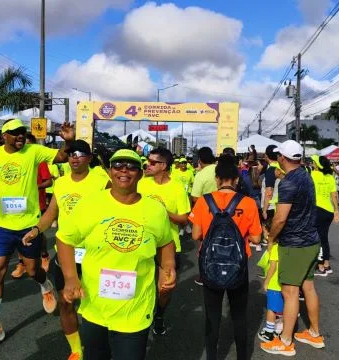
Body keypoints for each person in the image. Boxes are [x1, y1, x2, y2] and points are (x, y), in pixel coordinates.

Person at [56, 149, 176, 360]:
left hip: (136, 308)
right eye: (118, 165)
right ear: (110, 171)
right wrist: (71, 278)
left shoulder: (155, 210)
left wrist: (169, 266)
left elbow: (166, 242)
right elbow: (65, 239)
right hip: (95, 305)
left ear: (140, 173)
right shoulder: (91, 204)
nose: (124, 170)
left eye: (131, 166)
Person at [0, 119, 75, 351]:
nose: (20, 136)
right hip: (1, 224)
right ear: (4, 136)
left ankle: (45, 285)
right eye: (15, 133)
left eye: (22, 132)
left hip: (28, 224)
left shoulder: (33, 151)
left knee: (32, 271)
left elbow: (61, 157)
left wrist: (68, 140)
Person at [21, 140, 109, 360]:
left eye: (80, 153)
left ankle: (101, 347)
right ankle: (76, 350)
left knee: (97, 304)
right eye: (70, 153)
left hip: (96, 253)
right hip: (66, 252)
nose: (74, 157)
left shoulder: (101, 181)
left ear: (89, 158)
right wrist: (36, 229)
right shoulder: (60, 184)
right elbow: (51, 213)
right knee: (66, 302)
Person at [189, 154, 262, 360]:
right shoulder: (247, 203)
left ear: (217, 179)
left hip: (210, 265)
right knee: (239, 316)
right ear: (237, 179)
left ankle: (212, 356)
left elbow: (195, 234)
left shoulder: (204, 201)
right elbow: (256, 239)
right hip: (238, 266)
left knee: (212, 315)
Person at [261, 140, 324, 356]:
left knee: (289, 292)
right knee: (308, 287)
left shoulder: (289, 182)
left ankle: (285, 340)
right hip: (312, 241)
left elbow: (279, 218)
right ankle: (314, 333)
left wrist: (270, 238)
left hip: (294, 244)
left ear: (282, 158)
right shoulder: (306, 175)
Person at [138, 147, 191, 336]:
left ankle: (159, 314)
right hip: (140, 243)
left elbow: (184, 218)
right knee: (138, 284)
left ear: (164, 166)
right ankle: (139, 318)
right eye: (147, 161)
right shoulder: (141, 184)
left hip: (168, 245)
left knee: (164, 288)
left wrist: (163, 211)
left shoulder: (176, 187)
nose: (147, 165)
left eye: (152, 162)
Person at [11, 133, 53, 279]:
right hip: (17, 205)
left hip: (37, 204)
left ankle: (44, 256)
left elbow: (49, 182)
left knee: (38, 234)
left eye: (27, 145)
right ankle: (21, 263)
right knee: (17, 234)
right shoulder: (13, 161)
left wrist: (34, 187)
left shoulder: (39, 161)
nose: (23, 147)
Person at [310, 155, 339, 277]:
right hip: (328, 210)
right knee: (324, 238)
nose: (312, 163)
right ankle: (327, 265)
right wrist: (336, 211)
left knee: (318, 239)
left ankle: (321, 266)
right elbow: (334, 195)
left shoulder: (313, 175)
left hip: (318, 210)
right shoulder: (330, 177)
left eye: (314, 162)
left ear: (318, 165)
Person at [262, 145, 279, 233]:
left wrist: (264, 210)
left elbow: (269, 192)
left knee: (270, 236)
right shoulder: (282, 169)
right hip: (281, 206)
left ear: (266, 156)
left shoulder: (271, 170)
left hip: (271, 207)